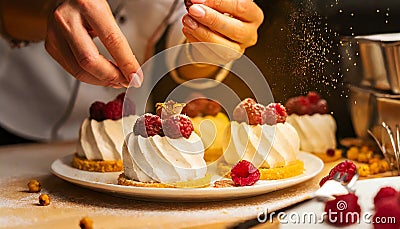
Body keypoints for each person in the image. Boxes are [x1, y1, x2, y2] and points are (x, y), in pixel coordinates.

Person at [0, 0, 264, 144]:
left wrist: (211, 43)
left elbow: (184, 42)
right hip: (11, 112)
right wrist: (48, 9)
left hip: (128, 137)